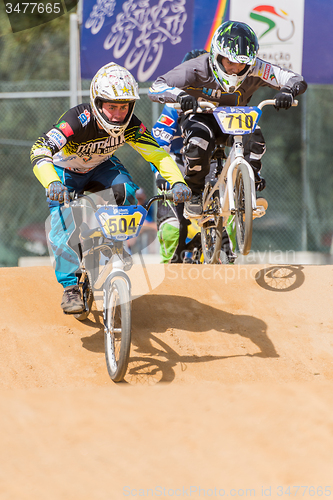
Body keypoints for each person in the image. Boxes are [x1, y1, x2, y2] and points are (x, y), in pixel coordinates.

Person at [30, 62, 191, 314]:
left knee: (127, 191)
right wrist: (52, 182)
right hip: (64, 173)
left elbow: (158, 156)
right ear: (97, 102)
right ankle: (71, 287)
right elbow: (39, 149)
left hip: (101, 167)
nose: (117, 114)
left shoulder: (131, 126)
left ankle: (115, 245)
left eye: (124, 106)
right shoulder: (78, 120)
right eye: (111, 106)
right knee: (63, 223)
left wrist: (178, 181)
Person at [148, 20, 307, 218]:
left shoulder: (257, 68)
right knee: (198, 142)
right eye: (230, 61)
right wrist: (180, 97)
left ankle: (249, 186)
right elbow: (157, 87)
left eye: (242, 63)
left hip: (235, 118)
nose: (235, 68)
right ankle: (195, 193)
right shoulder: (197, 67)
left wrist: (288, 92)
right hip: (200, 116)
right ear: (216, 55)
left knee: (255, 139)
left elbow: (295, 79)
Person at [150, 49, 236, 264]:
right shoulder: (174, 106)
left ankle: (229, 269)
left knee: (231, 222)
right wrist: (162, 173)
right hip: (178, 168)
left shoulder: (226, 102)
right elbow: (158, 143)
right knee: (172, 230)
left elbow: (240, 141)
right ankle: (169, 275)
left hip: (213, 167)